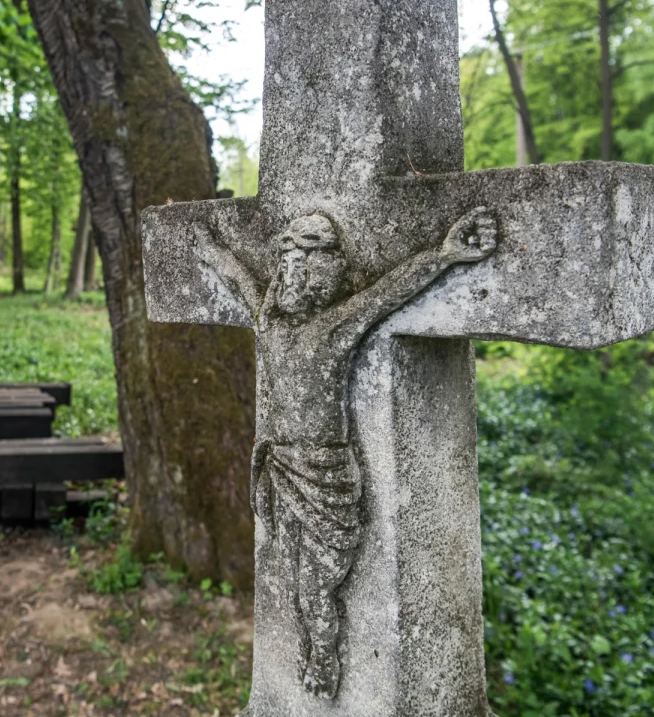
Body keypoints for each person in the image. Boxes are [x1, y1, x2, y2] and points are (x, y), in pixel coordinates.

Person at [192, 207, 497, 698]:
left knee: (317, 584)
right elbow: (238, 278)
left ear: (321, 275)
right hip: (282, 468)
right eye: (285, 265)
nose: (288, 277)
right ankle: (313, 646)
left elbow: (385, 294)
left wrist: (444, 256)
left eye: (300, 267)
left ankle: (324, 655)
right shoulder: (269, 321)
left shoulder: (334, 329)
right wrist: (210, 251)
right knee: (293, 579)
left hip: (325, 474)